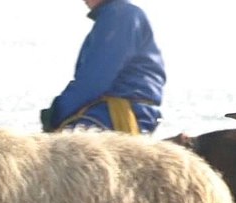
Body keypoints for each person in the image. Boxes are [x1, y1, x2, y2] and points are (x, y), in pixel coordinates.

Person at [41, 0, 166, 135]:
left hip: (112, 115)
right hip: (123, 112)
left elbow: (94, 79)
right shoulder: (122, 15)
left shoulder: (120, 15)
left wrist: (57, 112)